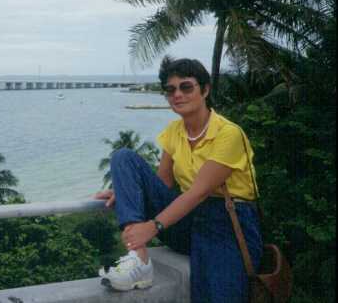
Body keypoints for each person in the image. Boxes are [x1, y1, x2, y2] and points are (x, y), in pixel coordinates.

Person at [95, 56, 263, 302]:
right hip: (188, 219)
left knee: (218, 295)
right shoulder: (174, 132)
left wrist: (152, 227)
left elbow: (199, 192)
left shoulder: (229, 134)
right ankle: (139, 259)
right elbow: (163, 185)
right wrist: (128, 190)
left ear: (205, 90)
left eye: (186, 87)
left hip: (227, 221)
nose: (177, 95)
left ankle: (140, 253)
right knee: (123, 157)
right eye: (170, 90)